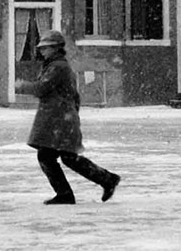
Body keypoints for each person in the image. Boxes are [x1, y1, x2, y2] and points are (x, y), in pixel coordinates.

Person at [16, 30, 121, 205]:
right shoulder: (55, 65)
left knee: (49, 157)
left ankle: (70, 192)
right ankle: (104, 180)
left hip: (58, 120)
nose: (42, 51)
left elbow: (42, 88)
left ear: (56, 48)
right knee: (64, 157)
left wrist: (23, 86)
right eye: (42, 48)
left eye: (46, 48)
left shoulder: (58, 67)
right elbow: (74, 95)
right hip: (60, 119)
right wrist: (71, 113)